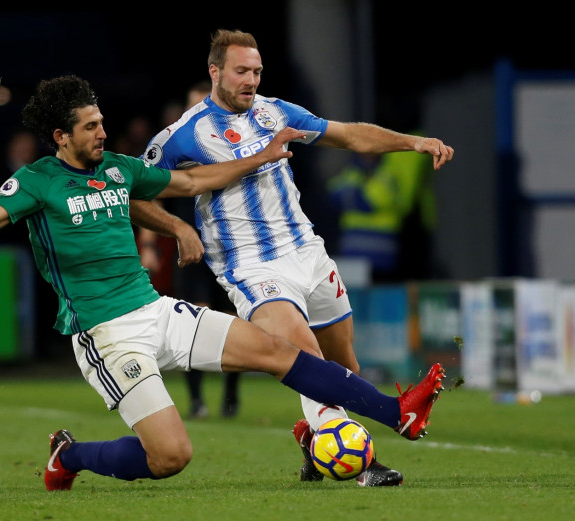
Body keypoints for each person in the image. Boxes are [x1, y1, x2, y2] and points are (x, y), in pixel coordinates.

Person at [0, 74, 446, 491]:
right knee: (170, 457)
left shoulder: (118, 169)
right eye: (91, 127)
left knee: (280, 352)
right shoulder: (38, 180)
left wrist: (262, 158)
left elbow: (191, 183)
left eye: (102, 122)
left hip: (156, 311)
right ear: (61, 136)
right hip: (106, 334)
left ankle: (396, 411)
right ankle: (70, 456)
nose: (103, 132)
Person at [133, 29, 454, 487]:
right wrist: (178, 227)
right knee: (304, 354)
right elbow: (131, 190)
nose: (250, 80)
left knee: (343, 367)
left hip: (307, 252)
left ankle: (312, 438)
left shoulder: (275, 111)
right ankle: (363, 463)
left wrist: (413, 142)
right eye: (241, 71)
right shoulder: (183, 135)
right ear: (215, 72)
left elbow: (347, 136)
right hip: (251, 265)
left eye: (257, 71)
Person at [138, 80, 240, 419]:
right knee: (196, 322)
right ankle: (197, 399)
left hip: (229, 249)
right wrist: (150, 242)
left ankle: (230, 395)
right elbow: (145, 192)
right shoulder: (173, 146)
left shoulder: (227, 144)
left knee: (233, 323)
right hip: (192, 249)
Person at [327, 139, 437, 283]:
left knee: (380, 299)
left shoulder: (388, 176)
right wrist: (356, 195)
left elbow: (367, 202)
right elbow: (333, 195)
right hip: (352, 255)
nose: (367, 153)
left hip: (381, 257)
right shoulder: (352, 172)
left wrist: (352, 196)